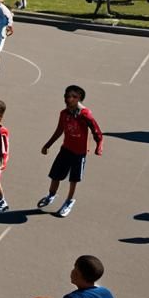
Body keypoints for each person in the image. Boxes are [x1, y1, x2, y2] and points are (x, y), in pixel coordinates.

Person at [38, 84, 103, 219]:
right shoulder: (64, 113)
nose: (68, 99)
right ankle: (51, 195)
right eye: (67, 96)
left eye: (73, 97)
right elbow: (59, 130)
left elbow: (96, 130)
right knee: (55, 175)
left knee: (73, 179)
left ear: (79, 99)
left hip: (79, 153)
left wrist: (99, 145)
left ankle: (69, 201)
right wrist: (48, 144)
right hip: (66, 149)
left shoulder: (85, 114)